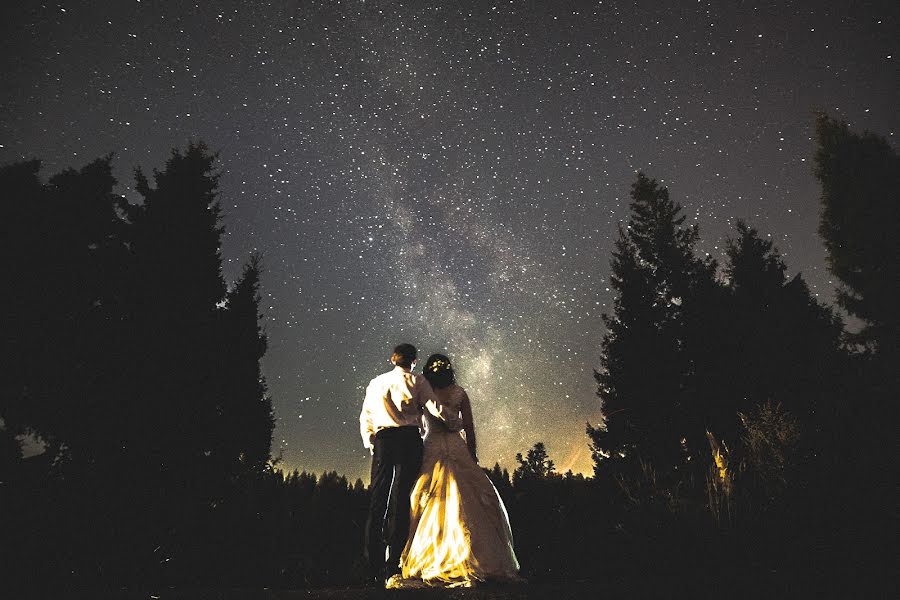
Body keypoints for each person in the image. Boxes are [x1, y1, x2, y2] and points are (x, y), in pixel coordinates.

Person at [387, 353, 521, 589]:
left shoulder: (424, 394)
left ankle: (431, 556)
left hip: (431, 446)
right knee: (473, 497)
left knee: (424, 497)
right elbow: (468, 427)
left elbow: (416, 422)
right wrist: (472, 454)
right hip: (455, 447)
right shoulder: (459, 393)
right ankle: (479, 558)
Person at [359, 343, 463, 587]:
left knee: (378, 500)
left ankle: (372, 565)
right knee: (402, 499)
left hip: (385, 439)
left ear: (393, 359)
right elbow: (435, 407)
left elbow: (366, 415)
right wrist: (455, 423)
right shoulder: (418, 381)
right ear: (414, 361)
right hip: (408, 440)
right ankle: (392, 564)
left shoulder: (376, 382)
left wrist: (372, 441)